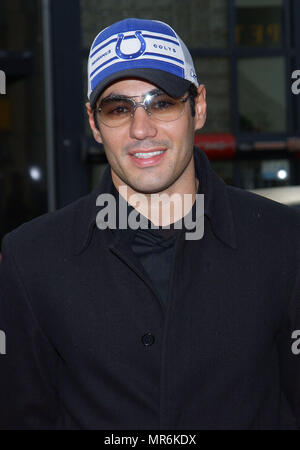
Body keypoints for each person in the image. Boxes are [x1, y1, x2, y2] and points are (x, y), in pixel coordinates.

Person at [0, 17, 300, 430]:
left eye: (162, 103)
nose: (142, 129)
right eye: (118, 109)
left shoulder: (283, 241)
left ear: (199, 108)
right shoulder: (30, 259)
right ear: (94, 123)